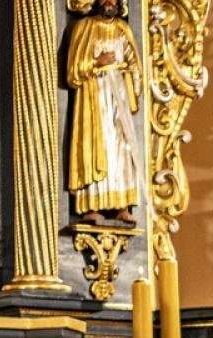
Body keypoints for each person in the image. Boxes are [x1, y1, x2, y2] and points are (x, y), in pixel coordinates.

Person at [66, 0, 143, 225]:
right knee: (96, 146)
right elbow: (72, 72)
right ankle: (91, 206)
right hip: (93, 98)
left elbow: (134, 64)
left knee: (121, 149)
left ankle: (123, 205)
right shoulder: (84, 27)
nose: (109, 2)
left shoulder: (122, 29)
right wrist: (96, 63)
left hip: (118, 96)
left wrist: (133, 92)